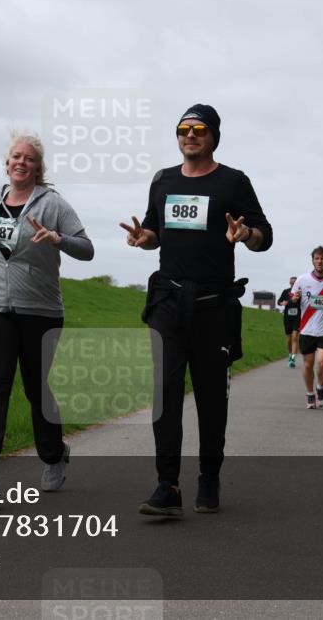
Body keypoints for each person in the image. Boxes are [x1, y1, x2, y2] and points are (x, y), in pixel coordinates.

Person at [120, 104, 272, 516]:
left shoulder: (233, 182)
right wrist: (143, 237)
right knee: (166, 395)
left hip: (213, 306)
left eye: (199, 129)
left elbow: (265, 236)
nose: (190, 135)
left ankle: (208, 475)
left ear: (213, 136)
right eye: (183, 128)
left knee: (210, 397)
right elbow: (155, 232)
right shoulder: (163, 181)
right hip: (169, 303)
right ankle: (167, 485)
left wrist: (245, 235)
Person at [0, 132, 94, 503]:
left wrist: (58, 238)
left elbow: (87, 249)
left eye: (29, 158)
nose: (21, 162)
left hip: (40, 311)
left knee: (35, 389)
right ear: (7, 162)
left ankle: (53, 453)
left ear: (38, 167)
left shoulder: (54, 205)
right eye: (16, 156)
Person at [290, 246, 323, 409]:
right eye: (317, 258)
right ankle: (309, 394)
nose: (320, 261)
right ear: (312, 260)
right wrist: (295, 299)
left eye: (322, 258)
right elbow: (293, 297)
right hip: (307, 329)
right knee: (308, 365)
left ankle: (320, 387)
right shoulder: (302, 280)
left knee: (322, 363)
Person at [277, 276, 300, 367]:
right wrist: (282, 303)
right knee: (288, 340)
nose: (293, 284)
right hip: (287, 318)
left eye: (294, 283)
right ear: (289, 283)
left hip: (297, 318)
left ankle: (293, 359)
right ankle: (290, 354)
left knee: (295, 337)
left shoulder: (300, 292)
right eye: (291, 283)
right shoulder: (286, 291)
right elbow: (279, 301)